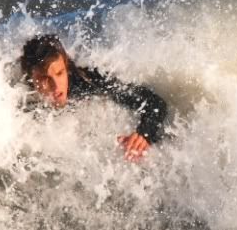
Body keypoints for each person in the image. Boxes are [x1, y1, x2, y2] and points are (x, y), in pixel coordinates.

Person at [18, 35, 167, 162]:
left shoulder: (88, 82)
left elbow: (155, 102)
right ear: (31, 78)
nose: (57, 86)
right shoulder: (20, 95)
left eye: (59, 73)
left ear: (65, 63)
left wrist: (144, 133)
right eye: (44, 79)